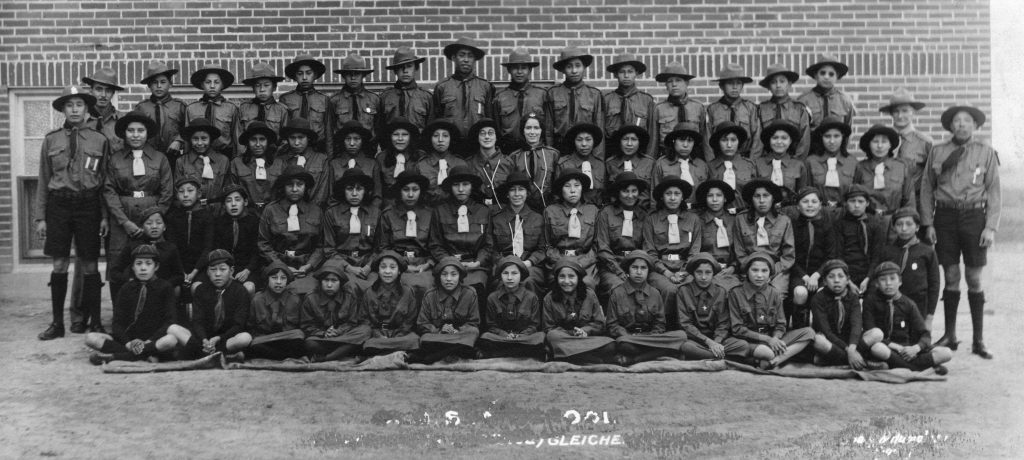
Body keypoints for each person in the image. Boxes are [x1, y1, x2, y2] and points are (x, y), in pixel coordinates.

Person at [920, 104, 1000, 359]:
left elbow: (995, 191)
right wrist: (928, 223)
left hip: (974, 217)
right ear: (950, 125)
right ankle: (950, 335)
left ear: (975, 126)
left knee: (974, 279)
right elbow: (926, 188)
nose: (962, 125)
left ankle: (979, 340)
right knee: (951, 275)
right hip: (944, 217)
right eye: (957, 121)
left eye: (967, 121)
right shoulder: (938, 151)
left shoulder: (986, 152)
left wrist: (990, 227)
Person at [35, 86, 110, 340]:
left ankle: (97, 322)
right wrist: (40, 217)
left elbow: (104, 182)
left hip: (88, 205)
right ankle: (57, 323)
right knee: (59, 264)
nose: (75, 109)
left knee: (90, 264)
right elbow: (44, 180)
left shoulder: (99, 140)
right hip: (59, 205)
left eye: (79, 104)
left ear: (87, 108)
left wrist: (104, 216)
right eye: (70, 105)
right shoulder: (51, 140)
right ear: (63, 109)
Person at [103, 111, 174, 311]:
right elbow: (109, 191)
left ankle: (152, 313)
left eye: (140, 131)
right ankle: (120, 312)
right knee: (118, 262)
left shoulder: (160, 159)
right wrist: (124, 221)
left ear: (147, 133)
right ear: (124, 134)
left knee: (151, 259)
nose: (135, 135)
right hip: (123, 214)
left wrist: (154, 221)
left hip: (152, 214)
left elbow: (167, 191)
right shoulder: (115, 159)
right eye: (131, 130)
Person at [85, 244, 191, 364]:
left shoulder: (165, 287)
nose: (143, 268)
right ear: (133, 267)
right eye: (139, 264)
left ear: (156, 266)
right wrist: (128, 343)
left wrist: (148, 341)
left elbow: (170, 321)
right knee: (91, 338)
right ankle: (145, 355)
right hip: (130, 340)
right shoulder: (126, 288)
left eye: (148, 263)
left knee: (170, 340)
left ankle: (116, 357)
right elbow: (117, 323)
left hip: (154, 340)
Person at [862, 262, 953, 372]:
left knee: (946, 353)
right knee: (877, 348)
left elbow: (925, 334)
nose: (888, 283)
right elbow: (869, 329)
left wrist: (915, 348)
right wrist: (896, 347)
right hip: (887, 347)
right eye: (883, 279)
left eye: (892, 279)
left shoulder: (908, 304)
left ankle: (892, 365)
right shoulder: (870, 301)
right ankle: (920, 367)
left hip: (907, 350)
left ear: (900, 282)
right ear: (876, 283)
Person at [729, 252, 815, 369]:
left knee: (809, 333)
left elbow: (781, 324)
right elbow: (737, 329)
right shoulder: (735, 293)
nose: (759, 275)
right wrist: (768, 340)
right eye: (755, 270)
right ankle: (767, 357)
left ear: (770, 274)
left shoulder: (774, 293)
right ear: (747, 272)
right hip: (749, 341)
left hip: (771, 339)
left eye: (764, 271)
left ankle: (772, 362)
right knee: (756, 349)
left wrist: (775, 338)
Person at [428, 165, 492, 318]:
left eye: (465, 184)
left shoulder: (483, 211)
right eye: (456, 185)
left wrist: (478, 262)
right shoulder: (440, 211)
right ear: (450, 187)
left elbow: (488, 244)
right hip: (448, 264)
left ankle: (475, 325)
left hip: (474, 266)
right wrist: (448, 262)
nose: (461, 189)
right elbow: (435, 244)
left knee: (477, 285)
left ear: (472, 187)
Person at [606, 250, 687, 366]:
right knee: (621, 344)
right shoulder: (617, 293)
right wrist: (628, 336)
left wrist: (650, 336)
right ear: (628, 269)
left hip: (650, 339)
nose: (639, 272)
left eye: (643, 268)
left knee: (681, 336)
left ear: (648, 271)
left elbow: (660, 324)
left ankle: (635, 359)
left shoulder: (655, 293)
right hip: (628, 339)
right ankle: (655, 354)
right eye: (634, 267)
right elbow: (612, 325)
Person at [257, 165, 325, 295]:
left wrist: (309, 266)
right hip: (277, 265)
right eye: (290, 185)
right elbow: (263, 244)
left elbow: (320, 245)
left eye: (299, 184)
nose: (295, 189)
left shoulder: (316, 211)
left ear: (306, 187)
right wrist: (281, 266)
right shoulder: (271, 210)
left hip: (306, 268)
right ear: (283, 187)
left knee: (309, 294)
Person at [873, 207, 940, 330]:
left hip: (919, 305)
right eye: (899, 224)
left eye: (909, 224)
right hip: (892, 304)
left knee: (919, 343)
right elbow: (876, 281)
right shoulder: (887, 251)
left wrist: (929, 318)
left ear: (917, 227)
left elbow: (934, 285)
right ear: (893, 227)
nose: (904, 228)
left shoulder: (927, 251)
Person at [642, 176, 701, 313]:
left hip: (685, 268)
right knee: (670, 289)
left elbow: (695, 250)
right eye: (668, 194)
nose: (673, 198)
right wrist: (667, 273)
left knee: (692, 287)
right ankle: (666, 326)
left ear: (682, 197)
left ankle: (690, 325)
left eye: (677, 194)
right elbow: (650, 252)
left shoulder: (693, 219)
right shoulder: (651, 219)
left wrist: (685, 271)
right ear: (662, 197)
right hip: (660, 269)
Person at [677, 253, 750, 360]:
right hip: (695, 340)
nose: (703, 277)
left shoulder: (721, 291)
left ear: (713, 273)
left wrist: (717, 342)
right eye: (699, 272)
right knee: (686, 347)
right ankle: (721, 356)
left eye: (708, 272)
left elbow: (724, 323)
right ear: (693, 273)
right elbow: (685, 324)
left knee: (743, 345)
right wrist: (708, 342)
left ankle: (707, 356)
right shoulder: (683, 291)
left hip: (717, 340)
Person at [542, 259, 617, 364]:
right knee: (552, 337)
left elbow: (599, 324)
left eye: (571, 277)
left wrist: (585, 331)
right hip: (563, 338)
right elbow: (548, 328)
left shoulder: (589, 295)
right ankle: (588, 358)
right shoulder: (549, 299)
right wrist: (570, 333)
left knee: (611, 344)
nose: (567, 281)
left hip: (585, 339)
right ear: (557, 278)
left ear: (578, 278)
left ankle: (566, 356)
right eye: (562, 276)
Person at [376, 171, 435, 296]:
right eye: (406, 189)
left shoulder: (430, 214)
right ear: (399, 191)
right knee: (403, 288)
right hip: (396, 264)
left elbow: (436, 246)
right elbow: (383, 247)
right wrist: (401, 266)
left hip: (423, 265)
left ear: (421, 191)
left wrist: (428, 264)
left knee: (427, 287)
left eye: (415, 189)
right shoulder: (388, 215)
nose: (410, 194)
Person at [785, 187, 838, 327]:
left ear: (820, 205)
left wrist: (816, 275)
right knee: (800, 292)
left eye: (814, 201)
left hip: (820, 274)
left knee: (823, 293)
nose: (810, 205)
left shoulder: (827, 227)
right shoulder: (793, 226)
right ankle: (799, 325)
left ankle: (819, 328)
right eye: (805, 201)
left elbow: (830, 256)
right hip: (799, 274)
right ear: (797, 205)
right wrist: (805, 277)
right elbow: (789, 256)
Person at [108, 206, 185, 301]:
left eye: (159, 223)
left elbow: (179, 275)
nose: (154, 226)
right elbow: (114, 271)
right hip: (137, 289)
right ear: (141, 227)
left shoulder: (170, 248)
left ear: (164, 227)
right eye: (149, 223)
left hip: (162, 292)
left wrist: (164, 285)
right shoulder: (133, 247)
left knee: (176, 290)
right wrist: (130, 280)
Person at [413, 257, 481, 363]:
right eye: (444, 274)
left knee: (473, 333)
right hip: (437, 336)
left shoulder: (470, 293)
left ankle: (434, 356)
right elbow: (422, 323)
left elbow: (474, 323)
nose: (448, 279)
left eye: (453, 274)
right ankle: (457, 351)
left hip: (460, 335)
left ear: (460, 276)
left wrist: (456, 331)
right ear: (439, 277)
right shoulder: (430, 295)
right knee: (424, 339)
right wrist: (439, 331)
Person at [732, 179, 795, 295]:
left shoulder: (784, 221)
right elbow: (740, 253)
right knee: (745, 294)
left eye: (766, 196)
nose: (762, 201)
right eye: (757, 196)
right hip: (749, 269)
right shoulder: (740, 220)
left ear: (773, 198)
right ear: (751, 199)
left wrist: (770, 272)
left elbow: (788, 256)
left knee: (776, 293)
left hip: (777, 271)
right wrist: (754, 271)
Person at [321, 168, 380, 292]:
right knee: (347, 287)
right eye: (349, 189)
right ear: (343, 190)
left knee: (375, 288)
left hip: (368, 264)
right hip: (341, 263)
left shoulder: (376, 213)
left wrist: (369, 267)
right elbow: (329, 248)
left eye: (359, 189)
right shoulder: (332, 213)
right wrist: (348, 267)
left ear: (365, 191)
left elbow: (380, 247)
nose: (354, 193)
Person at [490, 171, 547, 296]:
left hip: (529, 264)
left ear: (527, 193)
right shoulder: (496, 219)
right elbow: (492, 249)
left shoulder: (537, 218)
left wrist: (529, 262)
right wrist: (504, 263)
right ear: (507, 194)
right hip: (503, 264)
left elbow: (542, 249)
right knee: (501, 282)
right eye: (512, 190)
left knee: (529, 281)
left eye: (521, 190)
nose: (517, 194)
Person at [300, 262, 370, 362]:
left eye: (334, 281)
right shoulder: (311, 298)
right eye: (326, 280)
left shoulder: (349, 297)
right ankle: (344, 351)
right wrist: (324, 333)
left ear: (340, 283)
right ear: (320, 282)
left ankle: (327, 357)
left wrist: (339, 331)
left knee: (365, 330)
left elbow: (352, 322)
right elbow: (306, 325)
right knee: (309, 343)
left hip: (345, 336)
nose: (329, 285)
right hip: (323, 339)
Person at [189, 249, 253, 359]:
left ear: (231, 271)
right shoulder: (201, 290)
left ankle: (214, 352)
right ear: (207, 272)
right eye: (213, 270)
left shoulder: (240, 291)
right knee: (175, 329)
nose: (217, 274)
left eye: (223, 269)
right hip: (205, 340)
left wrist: (219, 338)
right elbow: (197, 320)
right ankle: (221, 354)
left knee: (245, 338)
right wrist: (204, 339)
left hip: (226, 339)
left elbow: (239, 324)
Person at [478, 256, 546, 359]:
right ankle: (520, 352)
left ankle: (502, 353)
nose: (510, 277)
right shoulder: (492, 298)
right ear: (500, 276)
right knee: (485, 337)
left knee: (540, 337)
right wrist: (505, 335)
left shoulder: (531, 297)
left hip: (524, 338)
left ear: (521, 275)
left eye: (514, 273)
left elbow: (534, 325)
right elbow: (491, 325)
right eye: (505, 273)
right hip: (501, 338)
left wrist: (521, 336)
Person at [595, 172, 649, 300]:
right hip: (612, 267)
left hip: (637, 265)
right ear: (618, 193)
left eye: (634, 191)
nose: (630, 195)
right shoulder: (606, 213)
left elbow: (647, 246)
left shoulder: (644, 215)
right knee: (620, 289)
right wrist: (619, 271)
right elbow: (602, 248)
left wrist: (637, 268)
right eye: (625, 191)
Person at [544, 46, 606, 159]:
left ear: (584, 67)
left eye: (578, 65)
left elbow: (599, 129)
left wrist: (598, 160)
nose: (574, 71)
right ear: (563, 69)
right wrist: (549, 156)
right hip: (560, 150)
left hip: (586, 151)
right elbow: (548, 130)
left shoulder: (594, 94)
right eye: (569, 66)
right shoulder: (553, 93)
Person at [543, 169, 600, 289]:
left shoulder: (593, 211)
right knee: (558, 284)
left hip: (584, 261)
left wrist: (581, 263)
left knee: (587, 283)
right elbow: (547, 245)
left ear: (582, 189)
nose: (573, 190)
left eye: (577, 186)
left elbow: (596, 246)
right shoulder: (551, 211)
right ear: (561, 190)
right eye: (567, 186)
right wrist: (561, 262)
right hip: (558, 260)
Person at [202, 185, 261, 295]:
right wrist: (226, 271)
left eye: (237, 200)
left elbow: (257, 251)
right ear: (224, 205)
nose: (233, 204)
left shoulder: (254, 222)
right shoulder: (219, 223)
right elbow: (215, 249)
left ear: (246, 202)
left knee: (249, 288)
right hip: (224, 267)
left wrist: (247, 270)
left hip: (247, 269)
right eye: (229, 201)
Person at [808, 259, 868, 369]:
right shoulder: (818, 299)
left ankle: (832, 360)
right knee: (818, 340)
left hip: (850, 342)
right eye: (831, 277)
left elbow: (856, 325)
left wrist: (852, 348)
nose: (836, 280)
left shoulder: (853, 298)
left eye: (841, 276)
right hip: (831, 341)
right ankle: (862, 362)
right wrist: (848, 351)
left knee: (875, 334)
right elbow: (826, 331)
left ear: (847, 280)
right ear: (825, 281)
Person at [361, 251, 422, 356]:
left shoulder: (407, 292)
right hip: (376, 334)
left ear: (399, 271)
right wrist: (377, 335)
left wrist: (398, 335)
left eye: (392, 267)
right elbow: (364, 319)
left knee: (414, 341)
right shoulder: (369, 292)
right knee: (366, 342)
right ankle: (397, 352)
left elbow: (409, 320)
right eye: (383, 267)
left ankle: (384, 351)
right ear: (378, 270)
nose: (387, 271)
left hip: (400, 335)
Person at [163, 175, 213, 301]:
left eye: (190, 191)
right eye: (181, 191)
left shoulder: (207, 217)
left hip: (200, 267)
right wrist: (182, 272)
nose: (185, 195)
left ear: (199, 193)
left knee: (199, 288)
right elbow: (172, 247)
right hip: (178, 267)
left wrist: (194, 272)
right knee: (173, 288)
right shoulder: (172, 217)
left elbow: (208, 247)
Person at [880, 88, 933, 206]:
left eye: (905, 111)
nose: (900, 115)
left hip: (914, 202)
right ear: (891, 113)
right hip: (885, 201)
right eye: (896, 111)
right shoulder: (881, 140)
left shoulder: (925, 142)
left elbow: (931, 178)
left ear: (913, 112)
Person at [434, 37, 495, 138]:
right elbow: (436, 120)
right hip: (452, 145)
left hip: (477, 144)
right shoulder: (442, 86)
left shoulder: (485, 86)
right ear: (454, 58)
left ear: (475, 59)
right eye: (461, 55)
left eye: (470, 56)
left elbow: (489, 120)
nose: (466, 60)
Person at [245, 261, 306, 360]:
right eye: (274, 278)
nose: (278, 282)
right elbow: (250, 326)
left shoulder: (295, 299)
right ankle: (285, 356)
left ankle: (273, 356)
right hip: (265, 340)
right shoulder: (257, 299)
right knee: (253, 345)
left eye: (283, 278)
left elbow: (301, 327)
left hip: (287, 339)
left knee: (299, 338)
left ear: (287, 281)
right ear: (267, 279)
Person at [604, 53, 657, 158]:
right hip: (613, 156)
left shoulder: (646, 100)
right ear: (615, 74)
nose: (626, 76)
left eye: (630, 72)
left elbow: (652, 135)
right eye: (622, 72)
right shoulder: (607, 100)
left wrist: (648, 160)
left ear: (636, 73)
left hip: (639, 157)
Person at [134, 61, 187, 164]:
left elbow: (188, 129)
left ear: (170, 84)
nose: (159, 86)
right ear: (149, 85)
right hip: (147, 157)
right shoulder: (142, 107)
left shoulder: (179, 106)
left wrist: (179, 141)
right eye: (154, 82)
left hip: (174, 156)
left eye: (163, 82)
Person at [854, 124, 914, 216]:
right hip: (867, 220)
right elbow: (854, 197)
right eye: (875, 141)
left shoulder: (901, 167)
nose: (879, 146)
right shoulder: (860, 167)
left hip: (893, 220)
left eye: (884, 142)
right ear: (869, 144)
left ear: (890, 145)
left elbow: (909, 200)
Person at [492, 48, 545, 154]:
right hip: (509, 151)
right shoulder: (500, 97)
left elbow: (547, 127)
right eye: (515, 68)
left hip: (535, 150)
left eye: (524, 68)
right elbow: (497, 129)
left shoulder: (541, 95)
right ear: (509, 70)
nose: (519, 72)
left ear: (530, 70)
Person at [834, 185, 886, 289]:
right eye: (852, 201)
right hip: (846, 273)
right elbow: (838, 255)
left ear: (867, 203)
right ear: (846, 203)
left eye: (860, 201)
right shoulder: (840, 224)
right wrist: (848, 281)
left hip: (869, 273)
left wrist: (868, 278)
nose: (856, 205)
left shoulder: (875, 224)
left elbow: (877, 256)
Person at [693, 180, 741, 290]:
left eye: (719, 195)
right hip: (705, 271)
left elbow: (740, 249)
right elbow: (695, 250)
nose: (714, 200)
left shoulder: (734, 220)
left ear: (725, 199)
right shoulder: (698, 221)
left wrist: (733, 267)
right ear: (705, 198)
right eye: (710, 196)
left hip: (729, 271)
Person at [185, 63, 241, 158]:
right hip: (198, 155)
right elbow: (187, 137)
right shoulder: (191, 109)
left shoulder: (231, 108)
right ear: (202, 84)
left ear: (222, 85)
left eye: (216, 82)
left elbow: (237, 137)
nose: (212, 86)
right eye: (208, 82)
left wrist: (237, 160)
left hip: (224, 155)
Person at [706, 63, 761, 159]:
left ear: (742, 85)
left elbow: (757, 139)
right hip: (719, 160)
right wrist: (711, 165)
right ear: (721, 86)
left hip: (744, 159)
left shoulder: (751, 108)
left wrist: (752, 163)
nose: (735, 87)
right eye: (730, 83)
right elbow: (707, 140)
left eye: (738, 83)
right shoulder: (712, 110)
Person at [757, 64, 812, 159]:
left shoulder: (799, 109)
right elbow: (757, 141)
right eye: (773, 82)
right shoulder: (761, 109)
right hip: (766, 162)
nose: (778, 85)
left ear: (789, 84)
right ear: (768, 87)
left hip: (792, 160)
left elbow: (804, 141)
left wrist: (795, 163)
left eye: (782, 81)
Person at [652, 62, 706, 158]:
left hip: (693, 159)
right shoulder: (659, 109)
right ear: (666, 86)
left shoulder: (698, 108)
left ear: (686, 83)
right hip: (667, 159)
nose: (674, 84)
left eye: (678, 80)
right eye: (670, 81)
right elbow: (654, 142)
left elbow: (704, 140)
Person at [280, 54, 332, 153]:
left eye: (308, 73)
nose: (304, 77)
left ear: (315, 75)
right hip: (293, 148)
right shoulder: (286, 99)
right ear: (295, 76)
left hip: (317, 150)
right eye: (300, 73)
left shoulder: (324, 99)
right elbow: (283, 129)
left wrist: (329, 157)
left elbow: (328, 133)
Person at [378, 46, 433, 137]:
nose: (405, 71)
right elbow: (380, 129)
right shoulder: (385, 97)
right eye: (400, 67)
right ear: (395, 71)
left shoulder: (426, 97)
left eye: (409, 66)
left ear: (416, 68)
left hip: (418, 148)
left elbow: (430, 130)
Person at [330, 53, 380, 150]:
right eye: (349, 74)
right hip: (342, 151)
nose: (353, 78)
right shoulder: (335, 100)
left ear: (363, 75)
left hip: (367, 151)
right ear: (344, 76)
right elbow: (331, 130)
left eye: (357, 74)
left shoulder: (374, 99)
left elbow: (378, 129)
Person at [509, 113, 559, 211]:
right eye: (528, 128)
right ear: (523, 131)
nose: (532, 132)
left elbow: (557, 183)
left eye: (536, 128)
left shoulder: (553, 154)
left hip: (549, 207)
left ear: (541, 131)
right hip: (524, 207)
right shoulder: (515, 157)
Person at [227, 121, 281, 211]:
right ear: (247, 142)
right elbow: (232, 192)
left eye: (262, 139)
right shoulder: (236, 163)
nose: (258, 144)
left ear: (268, 141)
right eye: (253, 139)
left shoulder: (279, 163)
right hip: (246, 213)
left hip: (273, 213)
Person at [175, 119, 229, 207]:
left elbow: (227, 189)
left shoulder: (223, 161)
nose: (200, 143)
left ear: (210, 139)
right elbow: (177, 190)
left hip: (216, 211)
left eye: (204, 139)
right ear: (190, 140)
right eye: (195, 139)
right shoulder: (181, 161)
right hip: (191, 209)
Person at [804, 117, 856, 208]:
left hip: (845, 214)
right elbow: (806, 191)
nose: (832, 141)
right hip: (818, 213)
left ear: (843, 137)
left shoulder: (852, 162)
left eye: (836, 136)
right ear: (821, 137)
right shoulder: (811, 162)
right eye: (827, 136)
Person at [411, 118, 466, 204]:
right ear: (430, 139)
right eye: (436, 136)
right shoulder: (421, 165)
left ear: (451, 139)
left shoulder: (460, 164)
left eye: (445, 136)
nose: (440, 140)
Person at [279, 118, 331, 207]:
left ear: (308, 138)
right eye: (292, 138)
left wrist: (310, 211)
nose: (296, 143)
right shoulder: (281, 160)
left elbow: (323, 191)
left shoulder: (321, 159)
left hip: (313, 212)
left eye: (301, 137)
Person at [797, 54, 856, 133]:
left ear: (837, 76)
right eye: (822, 73)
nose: (826, 77)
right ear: (815, 75)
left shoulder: (845, 101)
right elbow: (800, 130)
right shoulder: (804, 100)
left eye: (831, 74)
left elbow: (848, 130)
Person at [652, 122, 709, 202]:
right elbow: (655, 196)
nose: (685, 145)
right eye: (681, 140)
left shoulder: (701, 165)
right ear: (673, 141)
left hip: (697, 212)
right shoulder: (661, 164)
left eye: (690, 141)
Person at [329, 120, 383, 203]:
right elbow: (331, 197)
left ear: (363, 141)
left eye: (356, 139)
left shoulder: (372, 164)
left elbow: (377, 196)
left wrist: (371, 213)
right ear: (343, 141)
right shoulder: (334, 164)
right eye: (348, 139)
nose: (352, 143)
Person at [706, 121, 757, 210]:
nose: (729, 145)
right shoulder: (710, 166)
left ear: (739, 142)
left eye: (733, 140)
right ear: (718, 142)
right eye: (724, 140)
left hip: (744, 215)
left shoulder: (749, 165)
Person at [606, 126, 656, 209]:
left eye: (634, 139)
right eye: (625, 139)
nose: (629, 144)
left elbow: (653, 192)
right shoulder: (610, 163)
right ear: (619, 141)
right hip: (617, 213)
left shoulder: (650, 163)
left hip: (643, 214)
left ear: (640, 142)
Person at [755, 119, 810, 195]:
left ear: (790, 141)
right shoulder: (757, 164)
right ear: (769, 140)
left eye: (784, 138)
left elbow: (802, 194)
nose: (779, 142)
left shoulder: (798, 165)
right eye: (775, 138)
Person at [555, 123, 606, 205]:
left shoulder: (600, 165)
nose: (584, 144)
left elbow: (603, 194)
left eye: (588, 139)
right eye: (579, 140)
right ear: (574, 142)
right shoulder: (564, 164)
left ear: (594, 141)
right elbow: (557, 195)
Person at [466, 118, 513, 207]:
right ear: (477, 137)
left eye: (490, 133)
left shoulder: (508, 162)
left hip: (502, 213)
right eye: (482, 133)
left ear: (496, 137)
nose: (487, 137)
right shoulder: (469, 163)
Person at [238, 62, 290, 135]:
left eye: (266, 85)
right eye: (258, 85)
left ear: (274, 87)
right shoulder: (244, 108)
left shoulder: (282, 110)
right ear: (253, 88)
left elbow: (285, 137)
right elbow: (239, 135)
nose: (262, 89)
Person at [376, 117, 424, 194]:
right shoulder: (381, 157)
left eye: (404, 135)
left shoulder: (420, 156)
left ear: (410, 137)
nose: (400, 138)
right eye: (396, 134)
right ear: (390, 137)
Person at [82, 67, 125, 152]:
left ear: (113, 93)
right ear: (91, 91)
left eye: (108, 91)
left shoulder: (122, 121)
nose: (103, 95)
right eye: (99, 89)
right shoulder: (81, 120)